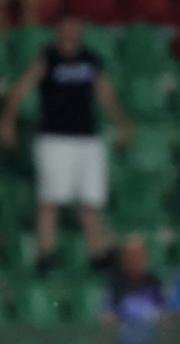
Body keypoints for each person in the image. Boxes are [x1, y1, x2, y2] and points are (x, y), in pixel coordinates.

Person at [0, 14, 132, 274]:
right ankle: (45, 253)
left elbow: (103, 92)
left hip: (87, 138)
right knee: (50, 200)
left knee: (91, 201)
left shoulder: (90, 59)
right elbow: (21, 89)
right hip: (55, 138)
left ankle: (97, 252)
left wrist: (121, 121)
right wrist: (8, 120)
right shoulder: (48, 58)